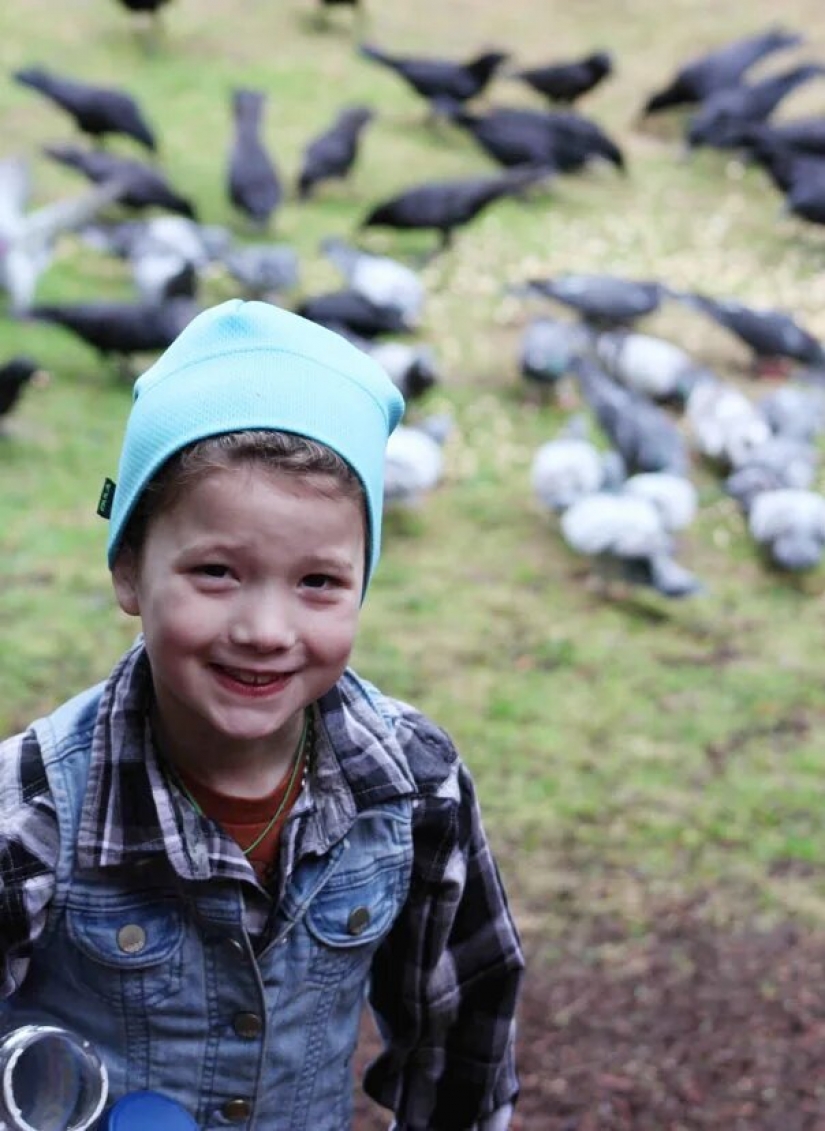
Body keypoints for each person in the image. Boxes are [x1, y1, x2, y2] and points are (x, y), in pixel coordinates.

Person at [0, 300, 524, 1130]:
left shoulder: (415, 786)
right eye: (216, 570)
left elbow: (461, 1035)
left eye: (317, 581)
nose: (266, 631)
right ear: (130, 570)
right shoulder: (31, 811)